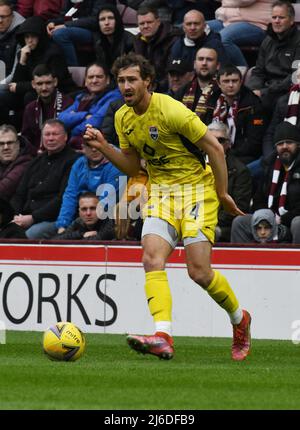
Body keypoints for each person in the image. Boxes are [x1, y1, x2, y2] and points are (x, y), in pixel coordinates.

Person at [83, 52, 251, 361]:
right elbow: (133, 166)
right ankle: (163, 335)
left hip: (197, 190)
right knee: (151, 258)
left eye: (132, 79)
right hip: (161, 193)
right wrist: (105, 147)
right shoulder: (122, 118)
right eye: (121, 80)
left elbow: (214, 147)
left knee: (199, 273)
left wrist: (223, 192)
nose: (126, 86)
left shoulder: (171, 110)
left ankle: (240, 319)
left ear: (147, 81)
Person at [231, 121, 300, 244]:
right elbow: (259, 198)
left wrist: (283, 219)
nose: (284, 146)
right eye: (280, 144)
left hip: (291, 221)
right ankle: (245, 261)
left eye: (289, 143)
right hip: (269, 220)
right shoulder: (269, 165)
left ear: (298, 145)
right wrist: (265, 217)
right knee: (240, 222)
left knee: (298, 223)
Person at [9, 119, 79, 239]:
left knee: (28, 236)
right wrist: (15, 216)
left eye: (55, 134)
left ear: (65, 137)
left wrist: (33, 218)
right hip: (25, 216)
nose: (50, 138)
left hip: (53, 219)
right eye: (47, 134)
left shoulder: (74, 161)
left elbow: (62, 198)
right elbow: (19, 194)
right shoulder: (35, 162)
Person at [0, 15, 75, 126]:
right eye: (27, 37)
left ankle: (33, 130)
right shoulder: (24, 52)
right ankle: (7, 130)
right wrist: (22, 62)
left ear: (40, 36)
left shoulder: (53, 53)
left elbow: (52, 82)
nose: (30, 41)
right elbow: (14, 84)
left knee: (29, 96)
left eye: (33, 37)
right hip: (33, 89)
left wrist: (21, 86)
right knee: (2, 95)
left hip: (57, 91)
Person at [55, 139, 126, 235]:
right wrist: (63, 225)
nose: (94, 149)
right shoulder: (79, 164)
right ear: (83, 148)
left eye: (97, 145)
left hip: (107, 220)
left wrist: (84, 228)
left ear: (105, 145)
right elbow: (70, 195)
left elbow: (106, 201)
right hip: (82, 216)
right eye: (89, 146)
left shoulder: (117, 163)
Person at [203, 64, 266, 167]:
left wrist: (227, 155)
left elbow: (254, 143)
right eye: (226, 81)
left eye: (235, 81)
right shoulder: (211, 102)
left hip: (243, 157)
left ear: (241, 82)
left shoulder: (253, 104)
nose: (231, 85)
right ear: (218, 83)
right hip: (212, 152)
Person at [246, 1, 300, 114]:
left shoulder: (298, 42)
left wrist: (264, 92)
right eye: (274, 17)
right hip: (267, 89)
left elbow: (296, 77)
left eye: (281, 17)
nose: (276, 21)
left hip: (288, 91)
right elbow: (259, 71)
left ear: (291, 21)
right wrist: (252, 90)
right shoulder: (268, 41)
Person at [58, 62, 121, 150]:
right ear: (86, 81)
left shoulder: (114, 97)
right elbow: (61, 118)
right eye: (90, 77)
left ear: (108, 80)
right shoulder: (82, 97)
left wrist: (70, 129)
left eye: (99, 77)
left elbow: (95, 122)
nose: (94, 81)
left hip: (103, 146)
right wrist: (84, 115)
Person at [207, 122, 252, 242]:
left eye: (220, 140)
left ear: (228, 144)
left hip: (223, 225)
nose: (215, 143)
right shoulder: (193, 165)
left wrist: (209, 220)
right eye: (211, 139)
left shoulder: (240, 171)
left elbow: (239, 207)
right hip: (193, 219)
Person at [21, 64, 73, 154]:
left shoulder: (68, 103)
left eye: (48, 83)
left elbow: (72, 135)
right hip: (36, 156)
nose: (44, 88)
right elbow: (26, 139)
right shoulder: (30, 108)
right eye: (39, 84)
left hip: (62, 155)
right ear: (33, 84)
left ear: (55, 82)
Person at [207, 0, 273, 67]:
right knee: (200, 29)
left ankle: (241, 73)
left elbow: (243, 1)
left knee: (222, 38)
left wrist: (224, 1)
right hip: (228, 21)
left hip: (256, 24)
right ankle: (202, 73)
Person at [133, 5, 181, 91]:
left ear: (158, 22)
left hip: (167, 89)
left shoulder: (173, 39)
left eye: (149, 22)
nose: (145, 26)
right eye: (142, 23)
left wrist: (154, 87)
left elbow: (171, 74)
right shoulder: (138, 41)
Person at [46, 0, 107, 66]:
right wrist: (53, 23)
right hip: (72, 27)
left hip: (93, 31)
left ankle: (72, 68)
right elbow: (64, 16)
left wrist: (66, 25)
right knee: (44, 30)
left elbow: (95, 20)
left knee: (60, 34)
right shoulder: (70, 1)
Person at [174, 46, 220, 119]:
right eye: (201, 59)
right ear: (195, 64)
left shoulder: (222, 90)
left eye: (209, 60)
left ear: (218, 65)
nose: (204, 63)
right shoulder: (183, 91)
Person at [94, 4, 135, 71]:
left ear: (117, 20)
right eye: (102, 19)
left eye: (110, 18)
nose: (106, 23)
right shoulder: (99, 43)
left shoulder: (130, 41)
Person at [0, 123, 33, 200]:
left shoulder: (26, 162)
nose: (6, 147)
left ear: (18, 144)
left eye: (10, 143)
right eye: (1, 144)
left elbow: (3, 189)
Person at [0, 0, 25, 85]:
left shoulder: (22, 34)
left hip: (12, 83)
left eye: (3, 17)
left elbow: (15, 74)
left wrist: (1, 84)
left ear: (12, 16)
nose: (0, 21)